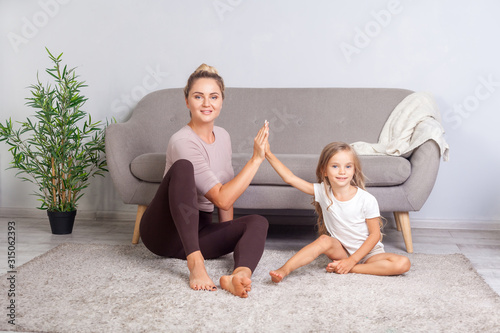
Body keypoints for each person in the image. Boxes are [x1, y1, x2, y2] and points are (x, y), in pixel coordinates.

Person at [140, 64, 269, 298]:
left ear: (222, 102)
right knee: (183, 167)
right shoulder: (182, 141)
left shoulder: (224, 136)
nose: (206, 103)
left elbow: (225, 199)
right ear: (187, 101)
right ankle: (195, 264)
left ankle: (238, 276)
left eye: (213, 97)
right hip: (163, 232)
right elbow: (221, 196)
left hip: (200, 230)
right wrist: (256, 159)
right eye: (198, 96)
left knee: (258, 222)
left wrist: (227, 231)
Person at [266, 141, 411, 283]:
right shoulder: (323, 192)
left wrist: (351, 262)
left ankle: (351, 268)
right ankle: (284, 269)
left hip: (369, 254)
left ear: (354, 170)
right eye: (335, 166)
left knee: (403, 263)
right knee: (324, 240)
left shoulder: (366, 199)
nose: (342, 171)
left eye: (348, 166)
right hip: (341, 251)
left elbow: (375, 235)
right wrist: (268, 153)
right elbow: (289, 178)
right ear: (324, 170)